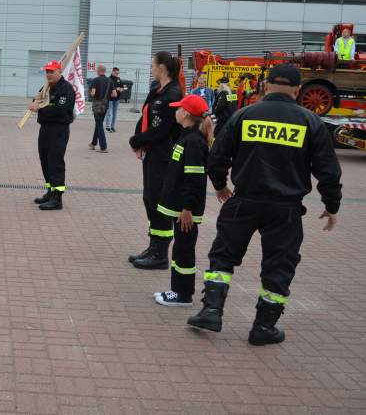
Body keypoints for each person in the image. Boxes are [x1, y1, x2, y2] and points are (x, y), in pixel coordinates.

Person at [187, 64, 343, 345]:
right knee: (279, 266)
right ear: (297, 90)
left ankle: (211, 311)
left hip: (243, 201)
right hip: (286, 209)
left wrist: (221, 186)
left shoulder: (244, 116)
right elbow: (328, 171)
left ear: (266, 86)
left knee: (223, 256)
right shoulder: (311, 122)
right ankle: (263, 327)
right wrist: (332, 205)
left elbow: (217, 156)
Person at [152, 94, 213, 307]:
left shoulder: (194, 142)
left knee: (184, 250)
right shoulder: (186, 136)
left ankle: (183, 294)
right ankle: (177, 290)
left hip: (185, 210)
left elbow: (195, 179)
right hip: (180, 208)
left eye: (178, 109)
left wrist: (188, 208)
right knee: (180, 248)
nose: (175, 111)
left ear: (186, 114)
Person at [128, 51, 183, 270]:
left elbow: (160, 130)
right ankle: (154, 245)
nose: (151, 68)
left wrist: (136, 140)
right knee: (149, 198)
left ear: (162, 68)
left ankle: (160, 253)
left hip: (164, 156)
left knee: (159, 201)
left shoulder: (173, 95)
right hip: (152, 153)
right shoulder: (158, 91)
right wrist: (138, 140)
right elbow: (146, 117)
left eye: (153, 65)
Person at [29, 60, 76, 211]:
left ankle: (57, 198)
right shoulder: (47, 87)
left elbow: (59, 109)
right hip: (45, 128)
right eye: (47, 72)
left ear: (59, 72)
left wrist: (39, 109)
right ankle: (50, 191)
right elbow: (38, 100)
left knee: (55, 162)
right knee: (45, 160)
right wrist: (35, 100)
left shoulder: (66, 89)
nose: (48, 74)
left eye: (51, 71)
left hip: (58, 129)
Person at [89, 65, 111, 153]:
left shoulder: (95, 80)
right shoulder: (110, 81)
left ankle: (103, 147)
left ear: (98, 71)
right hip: (105, 105)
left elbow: (93, 93)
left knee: (99, 125)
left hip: (97, 106)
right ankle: (93, 143)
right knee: (99, 124)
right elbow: (114, 94)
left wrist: (90, 93)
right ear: (104, 71)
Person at [105, 67, 123, 133]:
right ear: (112, 72)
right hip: (110, 99)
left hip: (117, 99)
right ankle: (108, 126)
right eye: (116, 73)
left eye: (118, 73)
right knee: (109, 113)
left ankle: (112, 126)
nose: (117, 74)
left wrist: (121, 89)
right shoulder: (109, 79)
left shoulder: (118, 79)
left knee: (114, 113)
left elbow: (122, 87)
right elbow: (107, 89)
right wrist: (116, 89)